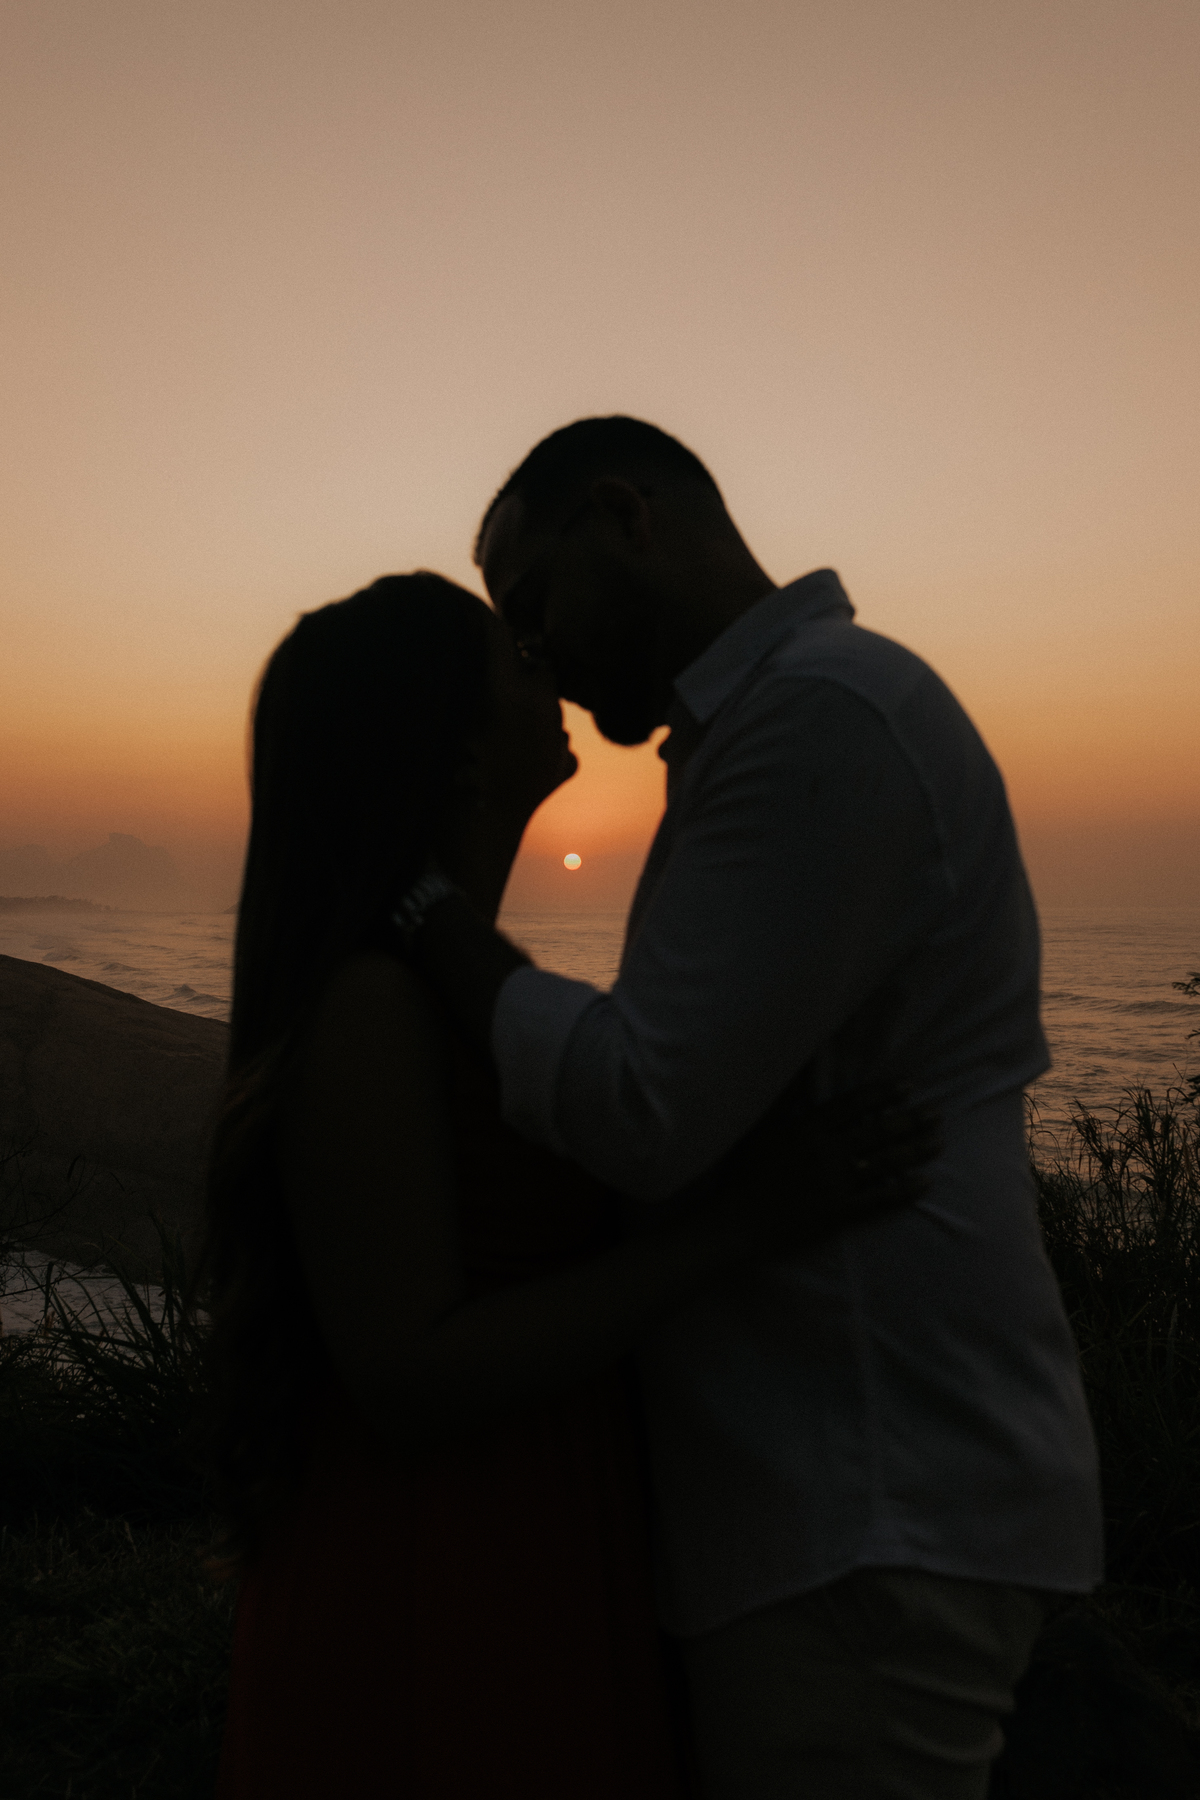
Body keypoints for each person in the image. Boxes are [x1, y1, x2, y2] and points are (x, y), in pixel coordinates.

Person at [395, 418, 1104, 1800]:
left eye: (534, 602)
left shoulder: (823, 715)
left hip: (869, 1510)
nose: (531, 654)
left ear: (626, 515)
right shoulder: (782, 725)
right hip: (845, 1513)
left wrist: (423, 914)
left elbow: (640, 1105)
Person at [195, 572, 938, 1799]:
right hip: (433, 1566)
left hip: (532, 1528)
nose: (545, 662)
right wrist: (743, 1224)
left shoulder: (461, 988)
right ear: (457, 754)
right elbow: (408, 1372)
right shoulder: (373, 1006)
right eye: (516, 660)